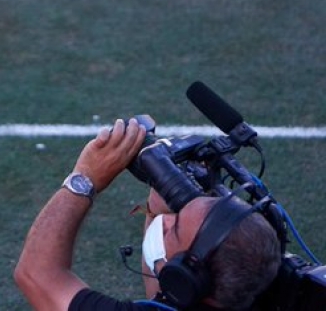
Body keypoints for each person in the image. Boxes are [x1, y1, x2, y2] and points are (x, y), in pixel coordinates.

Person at [14, 118, 282, 311]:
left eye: (173, 226)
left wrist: (84, 178)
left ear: (185, 280)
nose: (165, 218)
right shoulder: (269, 285)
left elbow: (37, 274)